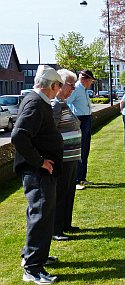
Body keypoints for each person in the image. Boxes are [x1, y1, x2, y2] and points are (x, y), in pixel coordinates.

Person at [12, 65, 64, 284]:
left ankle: (34, 255)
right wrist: (40, 161)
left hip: (40, 171)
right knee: (40, 215)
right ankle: (33, 268)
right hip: (37, 172)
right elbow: (19, 136)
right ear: (51, 86)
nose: (58, 93)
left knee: (40, 215)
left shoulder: (36, 100)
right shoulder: (35, 102)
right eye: (58, 88)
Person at [51, 69, 82, 242]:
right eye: (71, 85)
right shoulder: (56, 104)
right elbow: (51, 131)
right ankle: (56, 229)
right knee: (61, 193)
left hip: (71, 157)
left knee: (69, 192)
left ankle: (66, 224)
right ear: (60, 85)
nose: (73, 88)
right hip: (63, 158)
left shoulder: (63, 103)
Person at [65, 70, 95, 188]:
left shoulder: (84, 90)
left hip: (86, 119)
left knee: (85, 150)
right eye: (91, 81)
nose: (91, 83)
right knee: (79, 150)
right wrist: (74, 119)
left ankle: (82, 177)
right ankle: (76, 180)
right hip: (80, 120)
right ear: (85, 79)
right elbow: (66, 103)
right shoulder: (76, 89)